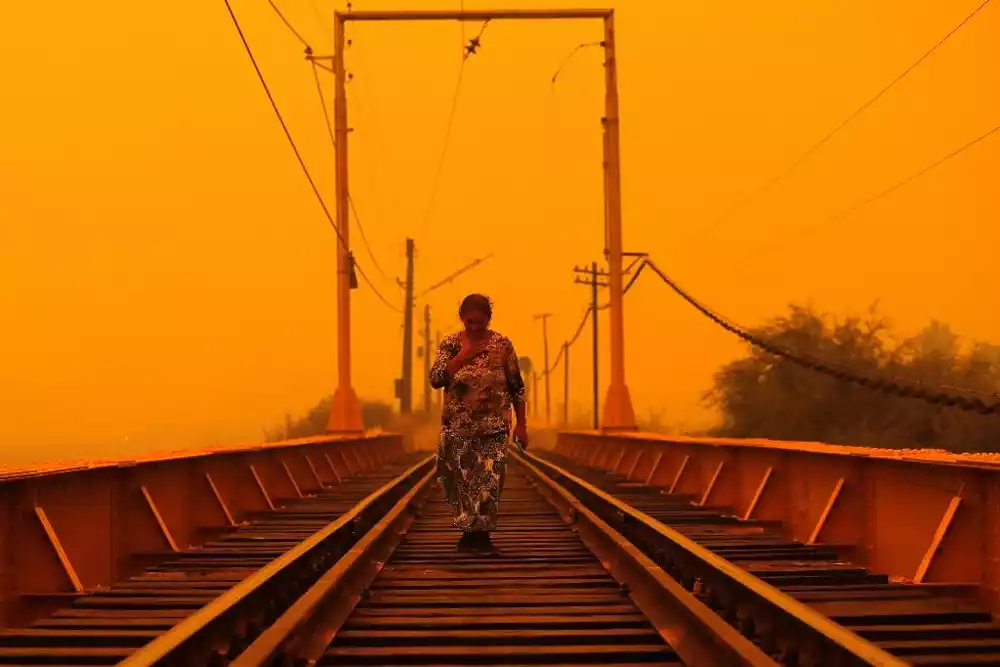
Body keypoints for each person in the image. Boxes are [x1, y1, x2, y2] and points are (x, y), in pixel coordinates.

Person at [429, 293, 528, 553]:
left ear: (488, 319)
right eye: (470, 322)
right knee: (461, 482)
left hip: (493, 427)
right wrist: (463, 355)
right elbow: (436, 378)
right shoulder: (450, 344)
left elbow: (517, 387)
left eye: (480, 322)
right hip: (457, 427)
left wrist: (522, 424)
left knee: (488, 481)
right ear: (462, 318)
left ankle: (481, 534)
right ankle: (467, 531)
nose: (474, 327)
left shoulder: (502, 345)